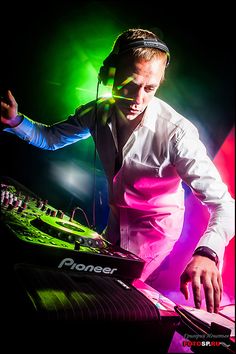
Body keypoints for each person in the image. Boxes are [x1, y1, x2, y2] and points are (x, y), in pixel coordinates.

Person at [1, 28, 234, 314]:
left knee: (108, 301)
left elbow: (224, 204)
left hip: (154, 233)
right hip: (114, 222)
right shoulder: (97, 112)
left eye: (150, 88)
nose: (138, 99)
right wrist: (15, 122)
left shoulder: (178, 134)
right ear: (107, 75)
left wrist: (208, 252)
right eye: (129, 84)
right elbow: (51, 138)